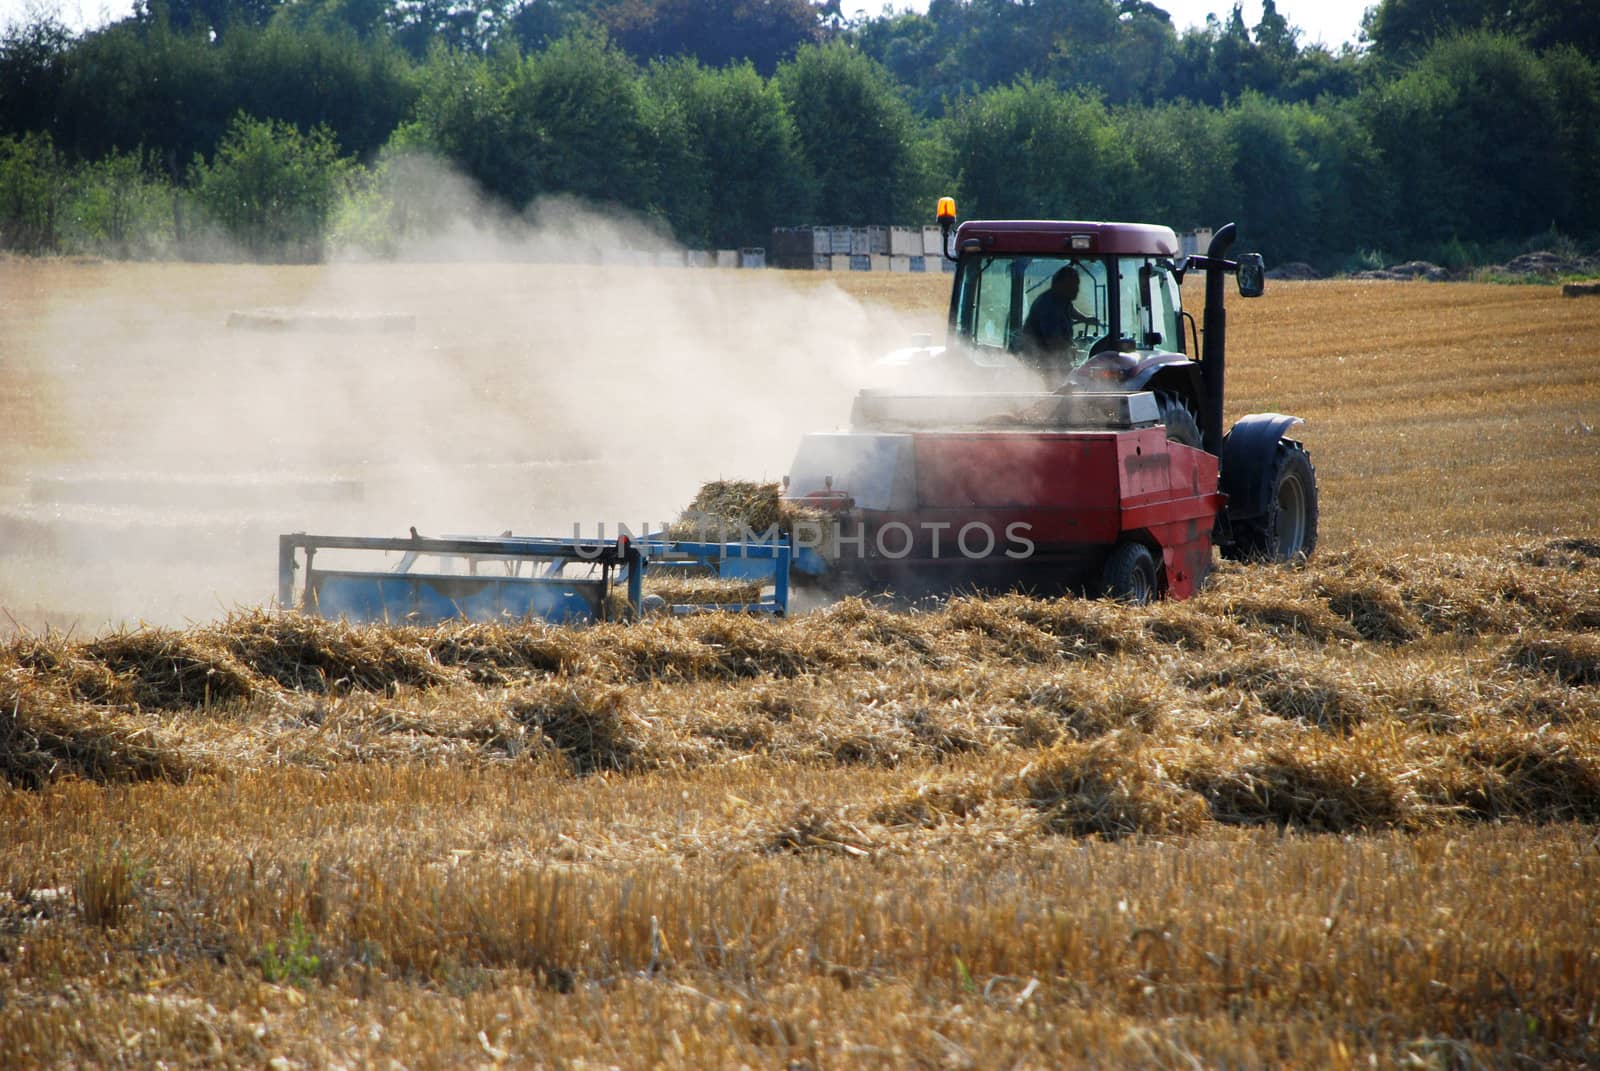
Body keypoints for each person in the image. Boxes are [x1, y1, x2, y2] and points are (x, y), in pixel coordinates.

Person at [1021, 266, 1089, 363]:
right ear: (1059, 285)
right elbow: (1054, 341)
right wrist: (1076, 352)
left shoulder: (1062, 300)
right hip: (1041, 363)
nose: (1077, 289)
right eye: (1072, 285)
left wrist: (1085, 319)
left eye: (1076, 285)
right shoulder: (1047, 305)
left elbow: (1071, 310)